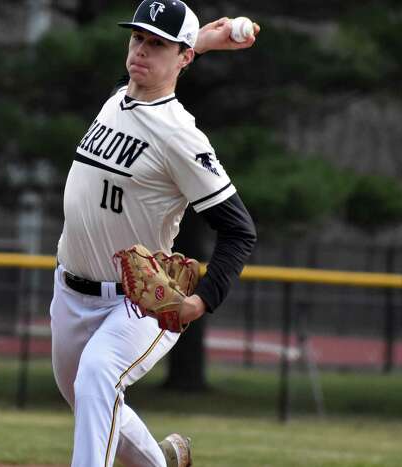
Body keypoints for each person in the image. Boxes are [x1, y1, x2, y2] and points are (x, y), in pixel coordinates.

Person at [50, 1, 259, 465]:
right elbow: (147, 79)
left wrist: (201, 300)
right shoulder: (117, 100)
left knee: (99, 376)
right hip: (69, 291)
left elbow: (239, 231)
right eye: (137, 38)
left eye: (157, 43)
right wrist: (198, 42)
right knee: (90, 398)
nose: (140, 50)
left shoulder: (180, 136)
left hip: (138, 302)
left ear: (180, 57)